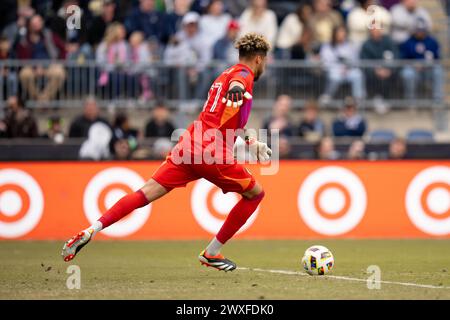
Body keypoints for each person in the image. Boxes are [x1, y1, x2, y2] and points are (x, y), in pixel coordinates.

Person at [62, 33, 272, 272]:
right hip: (211, 151)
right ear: (258, 59)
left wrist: (250, 141)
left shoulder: (223, 75)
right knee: (255, 194)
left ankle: (93, 229)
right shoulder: (243, 75)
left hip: (189, 144)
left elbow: (230, 117)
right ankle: (211, 253)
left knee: (146, 192)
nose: (264, 65)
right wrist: (236, 89)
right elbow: (239, 83)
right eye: (265, 61)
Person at [15, 14, 66, 101]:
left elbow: (63, 49)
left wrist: (59, 63)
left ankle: (43, 99)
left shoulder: (49, 35)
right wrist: (35, 68)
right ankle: (39, 98)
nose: (37, 25)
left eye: (39, 22)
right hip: (31, 67)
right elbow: (21, 57)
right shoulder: (24, 39)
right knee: (24, 74)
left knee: (59, 73)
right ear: (29, 25)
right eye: (34, 23)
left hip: (50, 66)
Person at [399, 20, 443, 104]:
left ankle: (438, 100)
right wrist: (413, 64)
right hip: (414, 70)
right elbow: (403, 59)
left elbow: (437, 58)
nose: (420, 32)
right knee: (407, 73)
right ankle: (410, 101)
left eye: (421, 30)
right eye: (418, 30)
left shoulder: (432, 41)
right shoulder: (408, 42)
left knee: (438, 71)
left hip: (428, 69)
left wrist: (428, 64)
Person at [319, 26, 365, 104]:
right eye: (339, 33)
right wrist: (338, 68)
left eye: (343, 33)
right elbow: (325, 62)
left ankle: (358, 100)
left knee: (358, 74)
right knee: (335, 77)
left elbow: (355, 60)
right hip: (333, 70)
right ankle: (327, 96)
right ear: (334, 34)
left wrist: (347, 68)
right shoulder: (327, 46)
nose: (341, 35)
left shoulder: (350, 45)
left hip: (348, 70)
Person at [360, 22, 399, 104]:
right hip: (373, 72)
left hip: (389, 70)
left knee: (395, 75)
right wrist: (376, 70)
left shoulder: (389, 41)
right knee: (375, 78)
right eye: (373, 29)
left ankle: (388, 100)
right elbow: (364, 61)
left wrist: (389, 69)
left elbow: (396, 56)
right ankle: (378, 98)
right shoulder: (366, 44)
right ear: (370, 31)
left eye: (378, 29)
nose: (376, 31)